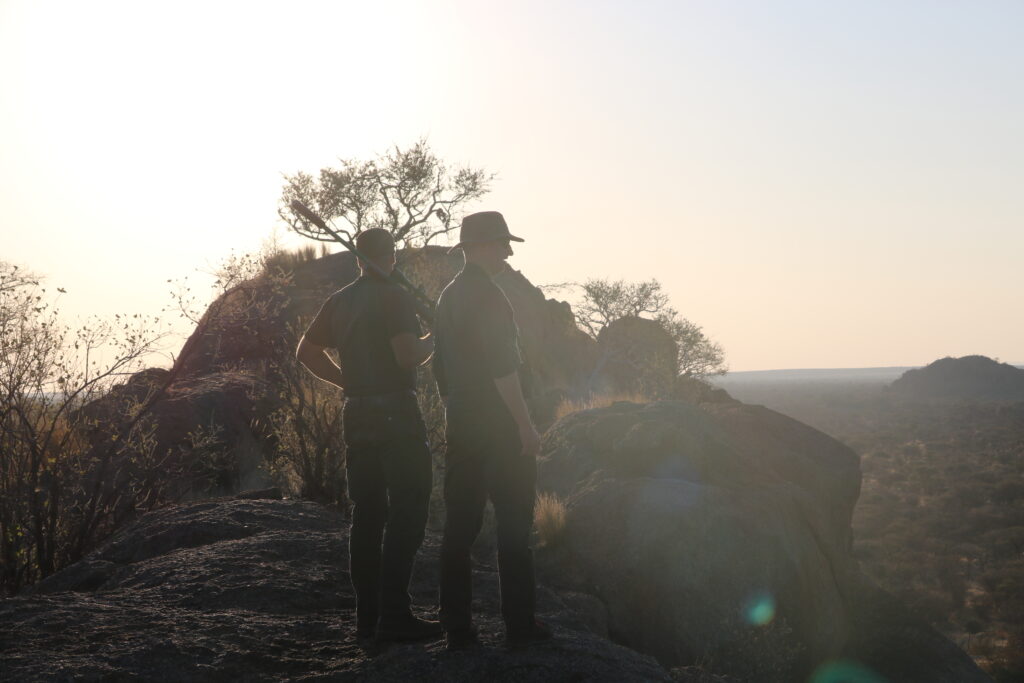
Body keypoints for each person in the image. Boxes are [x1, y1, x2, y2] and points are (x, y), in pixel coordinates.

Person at [296, 228, 440, 645]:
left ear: (359, 259)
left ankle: (368, 619)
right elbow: (409, 355)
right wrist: (438, 334)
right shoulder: (394, 295)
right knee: (411, 505)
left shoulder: (339, 300)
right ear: (390, 256)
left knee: (368, 513)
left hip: (356, 414)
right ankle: (395, 615)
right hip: (396, 410)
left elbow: (305, 351)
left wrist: (347, 382)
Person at [432, 211, 552, 649]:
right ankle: (519, 625)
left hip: (462, 422)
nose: (508, 251)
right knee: (514, 528)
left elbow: (440, 370)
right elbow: (504, 368)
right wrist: (525, 426)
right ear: (481, 247)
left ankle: (456, 627)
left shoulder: (448, 296)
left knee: (459, 529)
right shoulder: (491, 297)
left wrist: (456, 411)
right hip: (500, 427)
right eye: (502, 243)